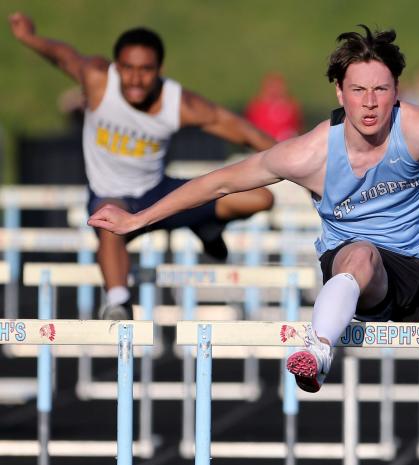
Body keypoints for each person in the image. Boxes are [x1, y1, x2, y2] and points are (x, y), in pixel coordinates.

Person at [89, 25, 419, 392]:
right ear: (339, 93)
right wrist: (137, 219)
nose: (370, 104)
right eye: (358, 90)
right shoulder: (307, 154)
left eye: (381, 90)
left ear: (396, 91)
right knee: (361, 253)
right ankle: (318, 354)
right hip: (362, 271)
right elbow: (219, 183)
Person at [9, 12, 276, 319]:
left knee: (261, 198)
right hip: (113, 198)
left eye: (146, 70)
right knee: (107, 220)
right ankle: (118, 301)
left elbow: (240, 130)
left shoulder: (178, 103)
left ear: (159, 70)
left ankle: (206, 225)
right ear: (115, 67)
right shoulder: (98, 80)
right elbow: (62, 56)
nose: (136, 79)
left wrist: (298, 161)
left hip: (159, 195)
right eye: (128, 69)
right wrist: (29, 37)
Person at [245, 72, 303, 141]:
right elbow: (250, 127)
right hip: (264, 144)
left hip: (286, 142)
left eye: (278, 86)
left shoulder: (291, 105)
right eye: (272, 86)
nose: (275, 89)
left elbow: (298, 125)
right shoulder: (257, 106)